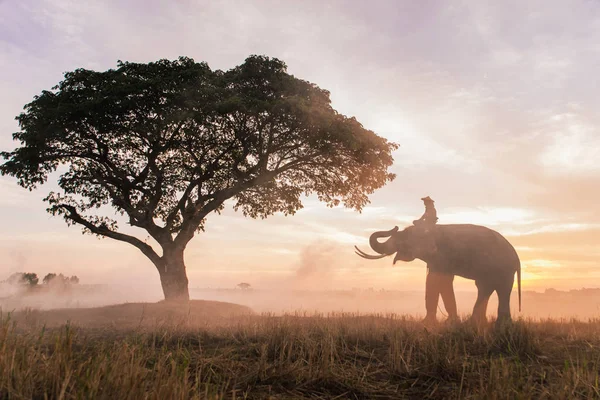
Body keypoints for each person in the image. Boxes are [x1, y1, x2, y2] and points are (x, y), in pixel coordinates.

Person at [413, 196, 458, 324]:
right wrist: (419, 221)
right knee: (436, 291)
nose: (425, 204)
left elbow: (427, 219)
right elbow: (423, 217)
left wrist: (421, 223)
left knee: (444, 291)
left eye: (426, 202)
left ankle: (450, 317)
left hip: (441, 269)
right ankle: (432, 316)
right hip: (437, 268)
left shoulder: (431, 212)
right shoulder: (428, 210)